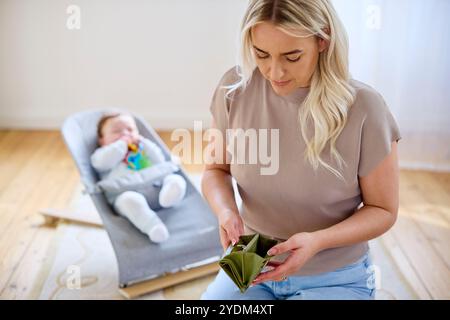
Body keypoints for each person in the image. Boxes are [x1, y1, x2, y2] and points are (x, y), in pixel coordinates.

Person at [201, 0, 401, 300]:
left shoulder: (365, 108)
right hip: (251, 257)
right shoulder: (235, 88)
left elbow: (383, 210)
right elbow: (215, 170)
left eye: (292, 56)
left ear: (323, 40)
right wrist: (226, 211)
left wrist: (317, 241)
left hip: (334, 273)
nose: (274, 71)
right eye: (261, 54)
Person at [91, 112, 187, 243]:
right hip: (126, 192)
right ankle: (154, 227)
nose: (125, 134)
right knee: (128, 201)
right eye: (116, 131)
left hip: (157, 189)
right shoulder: (102, 153)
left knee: (175, 179)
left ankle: (170, 197)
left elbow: (160, 160)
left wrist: (144, 143)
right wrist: (122, 144)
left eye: (130, 129)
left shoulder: (142, 148)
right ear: (102, 140)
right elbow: (102, 163)